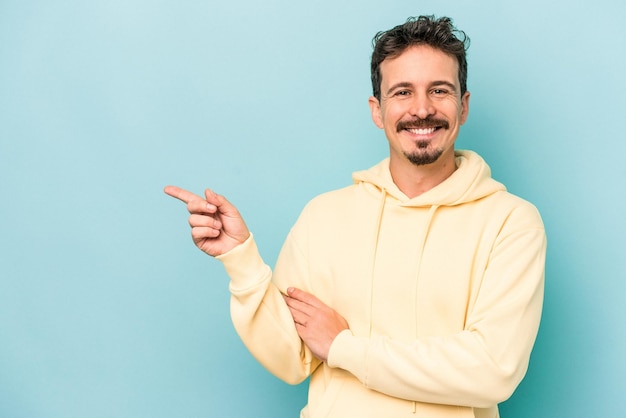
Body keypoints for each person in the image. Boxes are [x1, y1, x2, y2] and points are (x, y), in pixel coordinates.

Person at [165, 15, 546, 418]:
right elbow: (292, 359)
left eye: (439, 90)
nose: (421, 109)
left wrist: (344, 346)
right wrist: (240, 259)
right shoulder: (324, 217)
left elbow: (492, 370)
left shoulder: (511, 223)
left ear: (464, 106)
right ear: (377, 110)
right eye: (402, 92)